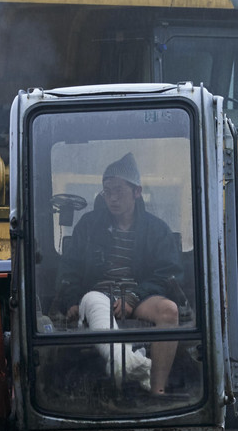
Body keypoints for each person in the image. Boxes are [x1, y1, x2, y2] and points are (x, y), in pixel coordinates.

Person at [53, 153, 183, 395]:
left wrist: (133, 298)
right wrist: (71, 301)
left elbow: (168, 272)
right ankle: (132, 366)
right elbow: (69, 268)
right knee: (93, 299)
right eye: (107, 191)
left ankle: (157, 391)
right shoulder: (88, 226)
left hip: (139, 296)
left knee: (170, 311)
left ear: (136, 191)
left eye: (119, 191)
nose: (112, 198)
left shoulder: (156, 230)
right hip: (98, 296)